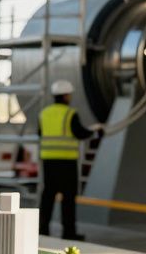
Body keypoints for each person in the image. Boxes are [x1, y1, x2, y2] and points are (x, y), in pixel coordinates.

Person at [38, 80, 101, 240]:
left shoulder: (44, 113)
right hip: (67, 163)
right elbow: (79, 133)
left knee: (48, 196)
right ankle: (69, 232)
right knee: (68, 199)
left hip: (48, 162)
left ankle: (43, 229)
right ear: (66, 95)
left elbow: (41, 133)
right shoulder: (70, 113)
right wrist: (95, 132)